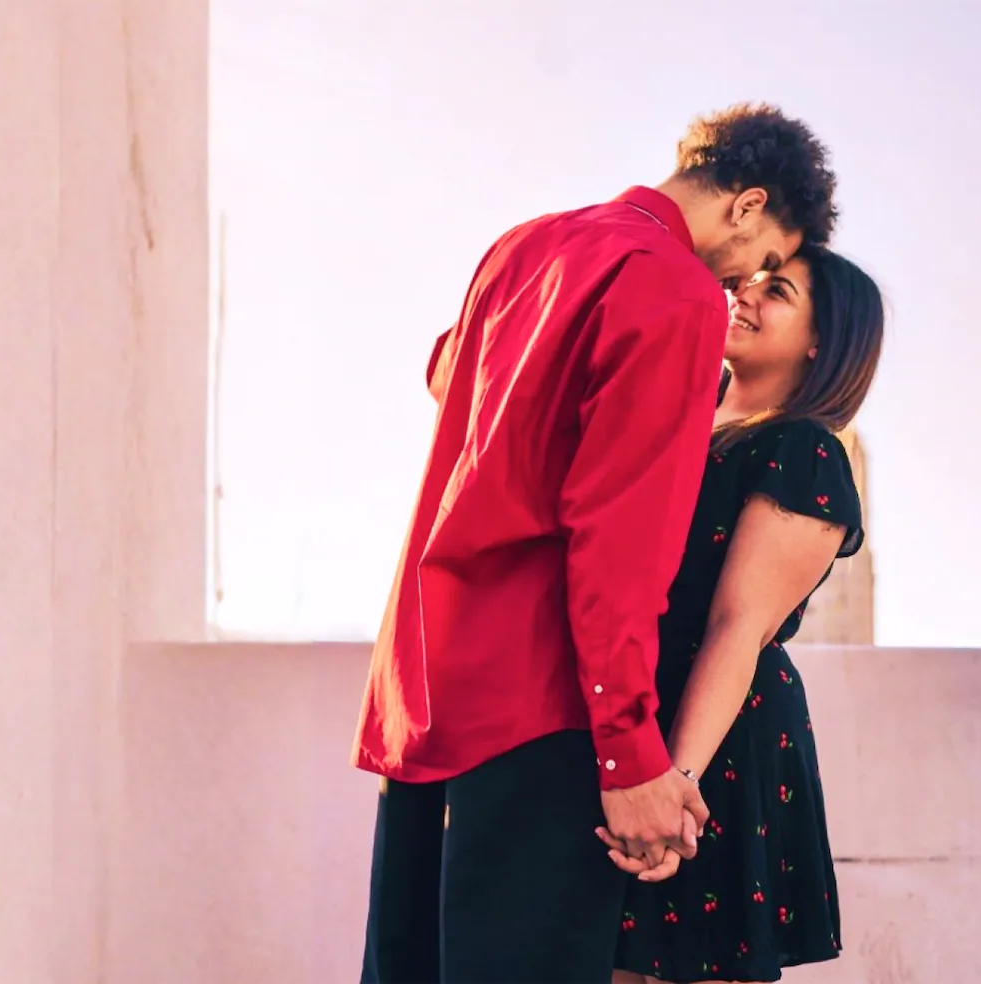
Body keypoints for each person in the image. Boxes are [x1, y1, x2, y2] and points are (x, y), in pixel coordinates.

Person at [354, 104, 839, 984]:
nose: (744, 280)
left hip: (425, 689)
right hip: (539, 706)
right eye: (763, 257)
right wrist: (628, 755)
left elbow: (447, 373)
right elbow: (617, 540)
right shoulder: (675, 289)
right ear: (746, 205)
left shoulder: (525, 247)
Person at [605, 244, 885, 984]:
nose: (747, 295)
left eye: (779, 291)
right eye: (752, 282)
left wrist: (676, 784)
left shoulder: (803, 450)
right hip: (630, 730)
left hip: (713, 742)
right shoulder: (680, 421)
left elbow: (739, 626)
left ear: (822, 340)